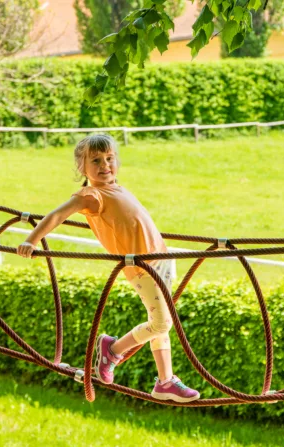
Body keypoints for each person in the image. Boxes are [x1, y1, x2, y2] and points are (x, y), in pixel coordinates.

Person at [17, 134, 199, 403]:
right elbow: (57, 215)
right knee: (161, 322)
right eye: (96, 160)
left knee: (162, 323)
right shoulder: (91, 195)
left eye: (109, 158)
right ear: (82, 167)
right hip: (141, 267)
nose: (105, 165)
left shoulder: (117, 187)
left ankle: (165, 381)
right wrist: (31, 240)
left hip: (162, 258)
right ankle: (113, 350)